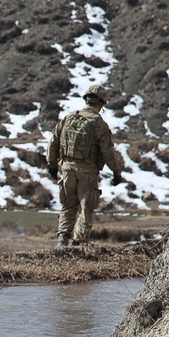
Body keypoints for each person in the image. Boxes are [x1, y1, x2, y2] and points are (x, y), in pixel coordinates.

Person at [46, 84, 124, 247]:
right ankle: (78, 245)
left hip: (67, 169)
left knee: (68, 204)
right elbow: (108, 153)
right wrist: (117, 172)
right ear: (101, 103)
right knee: (85, 208)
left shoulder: (69, 118)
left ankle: (62, 241)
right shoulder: (99, 123)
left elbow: (53, 141)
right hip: (87, 172)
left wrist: (52, 165)